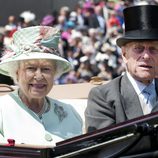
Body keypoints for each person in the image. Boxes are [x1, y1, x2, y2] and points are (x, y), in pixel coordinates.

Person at [0, 26, 83, 146]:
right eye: (31, 68)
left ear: (55, 73)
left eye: (46, 69)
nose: (39, 76)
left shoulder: (71, 112)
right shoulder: (2, 110)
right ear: (17, 73)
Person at [85, 4, 158, 133]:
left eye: (153, 49)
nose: (146, 56)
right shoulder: (103, 97)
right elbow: (104, 147)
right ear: (124, 54)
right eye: (138, 49)